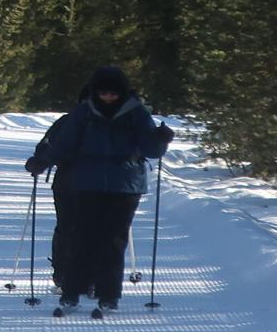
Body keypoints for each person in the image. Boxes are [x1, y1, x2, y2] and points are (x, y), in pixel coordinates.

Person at [28, 66, 171, 312]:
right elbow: (64, 143)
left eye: (113, 93)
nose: (108, 97)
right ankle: (72, 291)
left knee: (113, 241)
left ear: (122, 92)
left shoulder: (136, 114)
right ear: (95, 92)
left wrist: (161, 139)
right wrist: (43, 161)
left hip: (125, 186)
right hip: (86, 183)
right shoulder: (84, 112)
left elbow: (151, 151)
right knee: (82, 237)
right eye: (103, 92)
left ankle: (109, 294)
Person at [26, 85, 88, 293]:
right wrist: (39, 161)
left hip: (96, 183)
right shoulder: (66, 122)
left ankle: (88, 276)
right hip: (68, 182)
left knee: (90, 229)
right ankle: (64, 274)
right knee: (69, 227)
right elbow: (46, 146)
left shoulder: (68, 121)